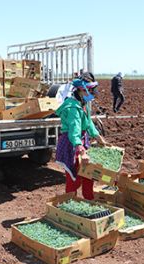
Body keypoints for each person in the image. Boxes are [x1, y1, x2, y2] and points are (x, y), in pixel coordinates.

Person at [55, 72, 107, 200]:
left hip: (81, 140)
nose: (92, 95)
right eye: (90, 91)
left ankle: (89, 198)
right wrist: (80, 149)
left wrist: (97, 136)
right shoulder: (73, 107)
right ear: (82, 90)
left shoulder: (82, 103)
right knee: (75, 178)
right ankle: (69, 203)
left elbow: (88, 122)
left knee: (88, 173)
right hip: (72, 143)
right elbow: (74, 130)